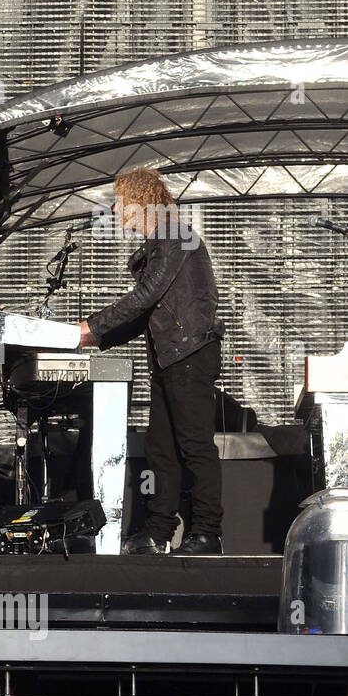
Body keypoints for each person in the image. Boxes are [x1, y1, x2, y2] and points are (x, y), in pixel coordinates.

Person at [77, 167, 225, 555]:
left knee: (194, 445)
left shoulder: (177, 236)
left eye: (123, 203)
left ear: (141, 201)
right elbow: (146, 311)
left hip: (190, 352)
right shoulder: (164, 242)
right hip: (170, 355)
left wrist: (90, 327)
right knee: (161, 447)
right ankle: (158, 532)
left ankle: (207, 533)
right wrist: (96, 336)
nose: (119, 213)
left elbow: (144, 297)